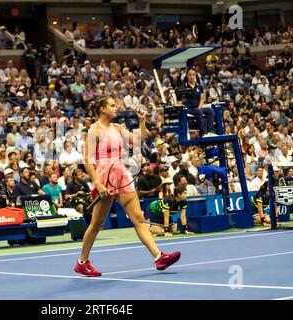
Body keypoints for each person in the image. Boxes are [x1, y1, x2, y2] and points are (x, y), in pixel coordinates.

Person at [74, 96, 181, 277]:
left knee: (138, 218)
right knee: (97, 224)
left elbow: (139, 140)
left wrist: (141, 121)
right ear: (102, 109)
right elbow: (87, 160)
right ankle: (82, 262)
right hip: (104, 177)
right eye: (112, 106)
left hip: (121, 174)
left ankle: (159, 257)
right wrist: (97, 183)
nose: (116, 108)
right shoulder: (94, 130)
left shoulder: (118, 128)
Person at [182, 67, 216, 137]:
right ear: (187, 75)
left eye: (193, 75)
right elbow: (181, 100)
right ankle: (204, 132)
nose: (192, 76)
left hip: (197, 108)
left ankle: (210, 131)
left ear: (195, 75)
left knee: (210, 110)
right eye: (190, 75)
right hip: (188, 109)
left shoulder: (199, 86)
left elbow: (202, 99)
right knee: (198, 111)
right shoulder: (183, 87)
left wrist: (199, 107)